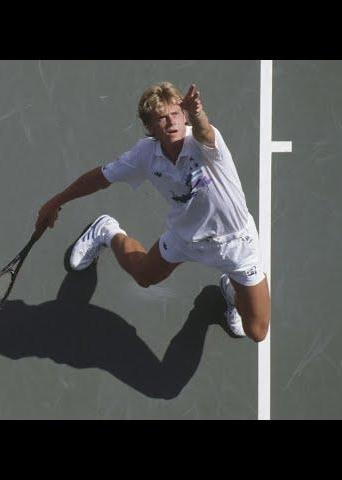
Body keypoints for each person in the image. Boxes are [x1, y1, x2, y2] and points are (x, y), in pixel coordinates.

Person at [36, 82, 270, 342]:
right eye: (161, 118)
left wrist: (199, 113)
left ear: (185, 116)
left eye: (175, 114)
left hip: (235, 244)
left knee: (256, 332)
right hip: (186, 237)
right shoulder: (144, 155)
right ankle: (107, 230)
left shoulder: (204, 143)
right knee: (144, 276)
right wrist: (57, 201)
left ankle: (232, 290)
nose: (171, 123)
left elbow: (204, 130)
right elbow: (101, 178)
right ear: (150, 128)